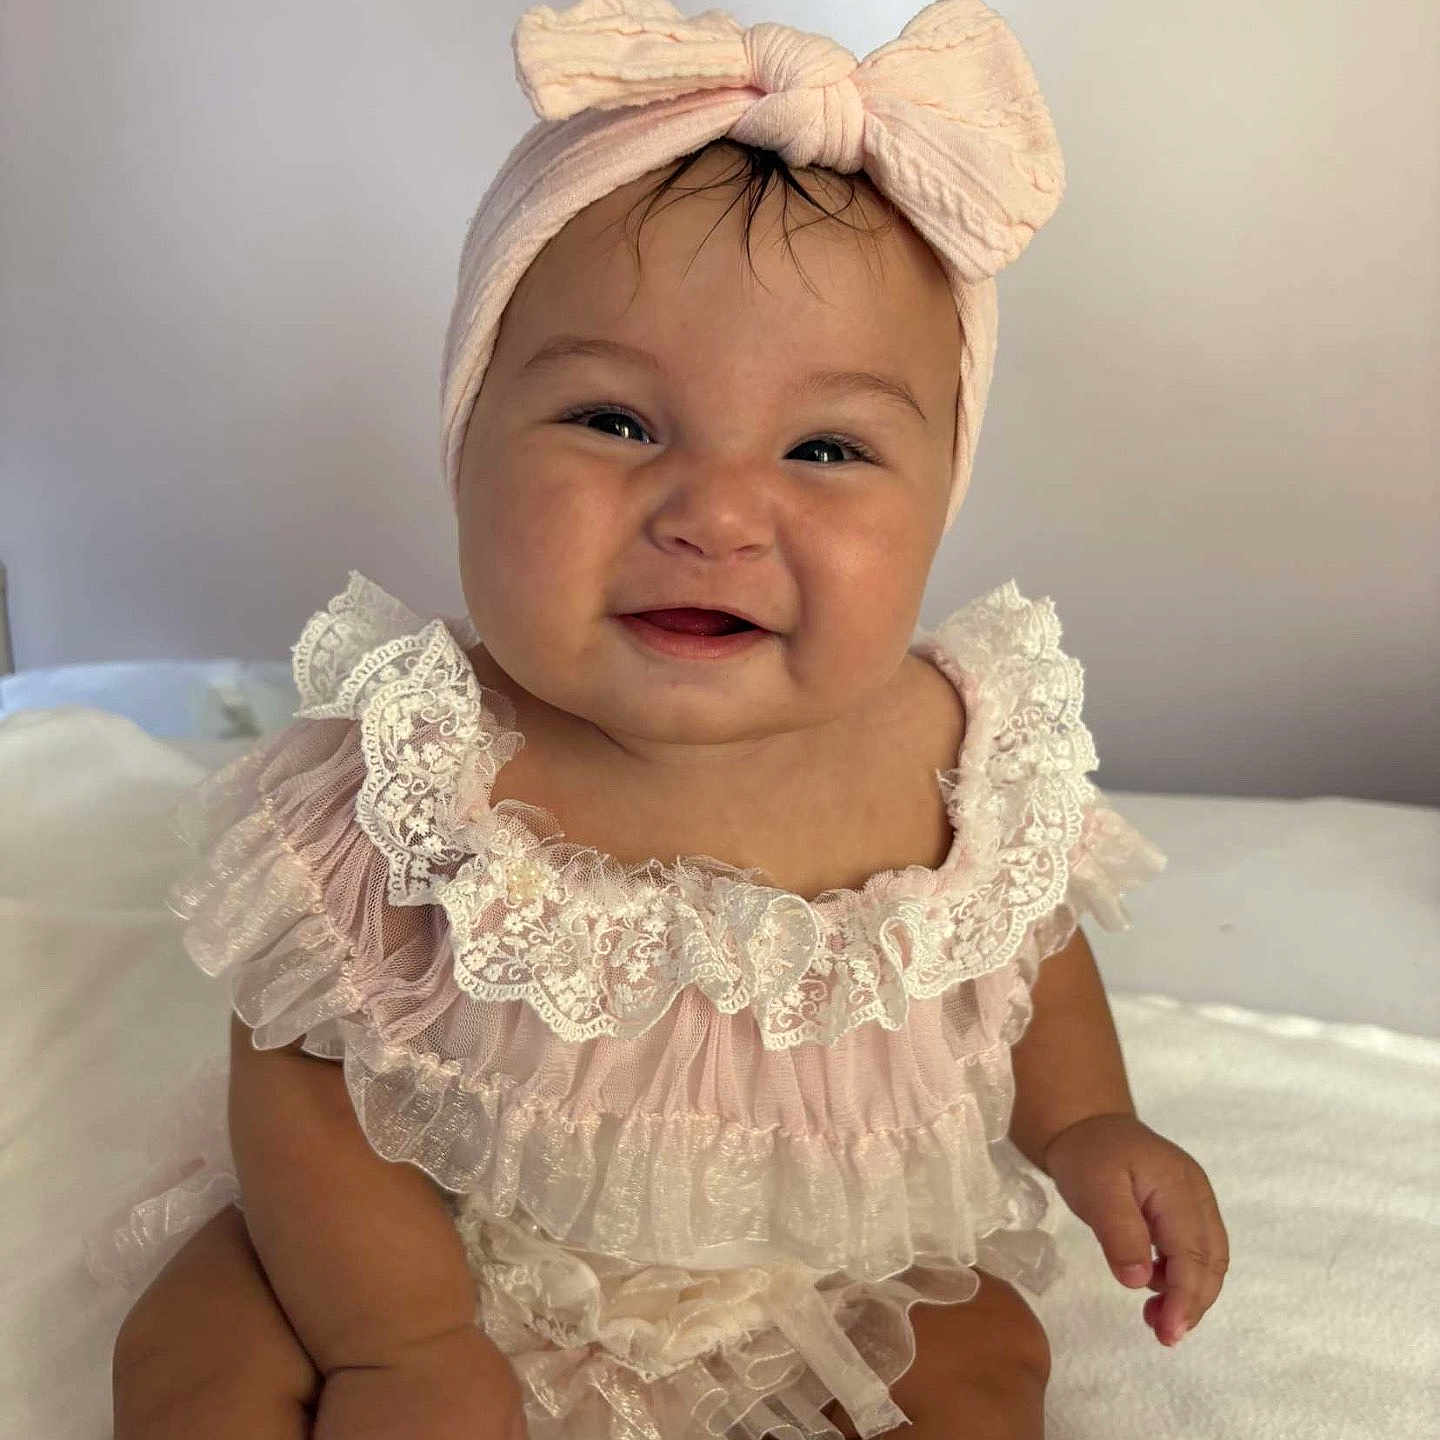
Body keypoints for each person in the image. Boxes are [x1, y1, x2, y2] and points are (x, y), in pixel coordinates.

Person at [91, 2, 1229, 1436]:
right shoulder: (424, 768)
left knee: (983, 1358)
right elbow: (307, 1073)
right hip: (430, 1230)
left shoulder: (955, 753)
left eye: (826, 448)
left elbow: (1027, 963)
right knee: (196, 1346)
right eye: (616, 422)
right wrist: (406, 1343)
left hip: (818, 1266)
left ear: (940, 499)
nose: (714, 515)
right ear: (466, 444)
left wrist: (1086, 1125)